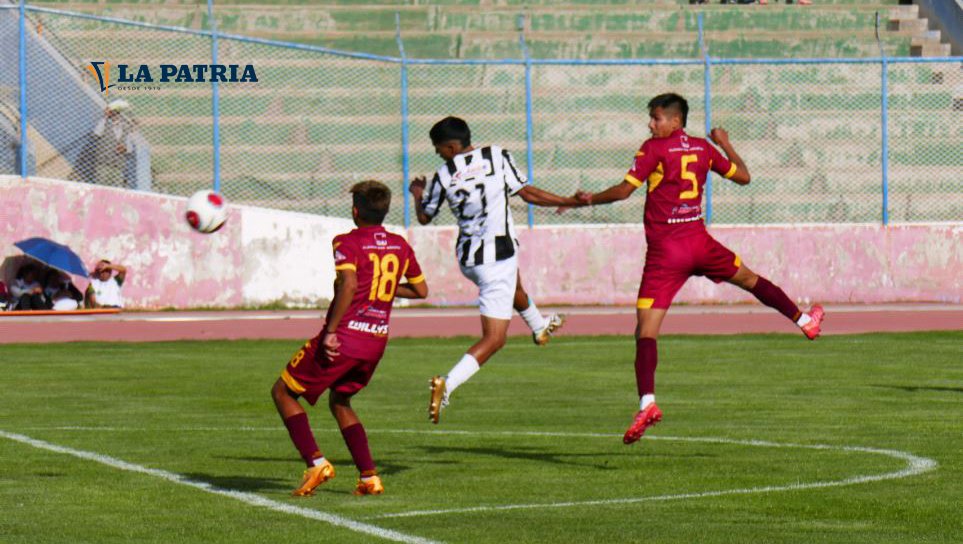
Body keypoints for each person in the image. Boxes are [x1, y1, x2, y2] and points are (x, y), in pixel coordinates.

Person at [569, 93, 824, 445]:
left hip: (666, 254)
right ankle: (804, 322)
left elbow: (624, 192)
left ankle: (648, 404)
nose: (651, 124)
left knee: (646, 330)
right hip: (701, 245)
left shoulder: (653, 149)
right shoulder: (704, 148)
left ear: (675, 121)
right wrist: (726, 143)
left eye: (657, 118)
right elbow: (744, 177)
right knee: (751, 280)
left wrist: (590, 199)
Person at [409, 116, 584, 424]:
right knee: (495, 339)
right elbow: (528, 193)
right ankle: (447, 384)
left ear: (451, 147)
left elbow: (425, 217)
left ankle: (539, 327)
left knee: (513, 287)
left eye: (439, 149)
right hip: (496, 256)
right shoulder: (496, 156)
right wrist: (568, 200)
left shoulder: (443, 175)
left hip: (470, 258)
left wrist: (417, 194)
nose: (439, 155)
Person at [270, 180, 429, 497]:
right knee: (340, 401)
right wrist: (377, 289)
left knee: (283, 393)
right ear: (384, 211)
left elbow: (349, 283)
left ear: (355, 210)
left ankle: (316, 462)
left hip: (345, 338)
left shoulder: (347, 241)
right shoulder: (400, 245)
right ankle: (369, 477)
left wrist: (330, 332)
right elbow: (421, 290)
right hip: (376, 340)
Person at [89, 99, 137, 187]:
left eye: (118, 116)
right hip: (103, 162)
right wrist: (105, 117)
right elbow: (96, 133)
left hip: (118, 165)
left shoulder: (126, 128)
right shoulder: (104, 123)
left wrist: (124, 148)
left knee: (116, 187)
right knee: (100, 186)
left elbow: (130, 148)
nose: (116, 118)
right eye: (113, 115)